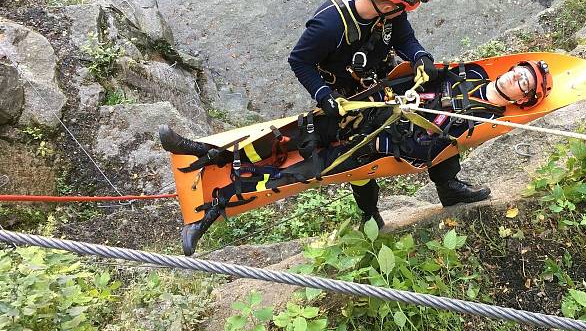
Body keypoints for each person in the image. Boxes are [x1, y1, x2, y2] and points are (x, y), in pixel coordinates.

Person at [160, 58, 552, 255]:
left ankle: (213, 209)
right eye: (519, 71)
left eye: (524, 83)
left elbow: (435, 149)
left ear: (523, 98)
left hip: (382, 144)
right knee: (292, 134)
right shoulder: (469, 75)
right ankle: (205, 152)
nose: (516, 78)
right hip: (369, 111)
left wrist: (413, 126)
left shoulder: (484, 118)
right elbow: (412, 72)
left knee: (304, 170)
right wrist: (414, 71)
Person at [285, 0, 491, 226]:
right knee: (359, 152)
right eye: (401, 8)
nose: (403, 13)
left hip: (383, 80)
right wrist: (324, 95)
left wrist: (419, 57)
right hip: (348, 97)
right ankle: (369, 214)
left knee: (436, 115)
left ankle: (448, 185)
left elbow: (403, 37)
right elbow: (299, 61)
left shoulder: (390, 10)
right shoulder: (329, 26)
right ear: (385, 2)